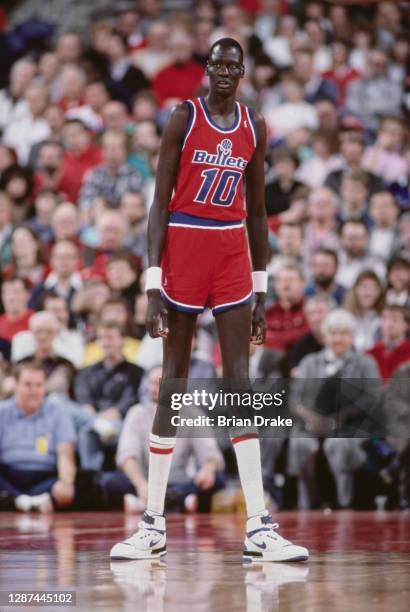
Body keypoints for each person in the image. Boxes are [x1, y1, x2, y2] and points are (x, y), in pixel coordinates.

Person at [110, 38, 308, 562]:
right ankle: (152, 523)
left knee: (239, 384)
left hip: (231, 252)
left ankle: (258, 525)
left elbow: (260, 212)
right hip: (184, 246)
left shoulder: (254, 125)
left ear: (243, 71)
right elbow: (158, 204)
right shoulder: (183, 117)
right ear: (208, 69)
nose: (223, 70)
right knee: (173, 385)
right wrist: (152, 285)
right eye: (216, 62)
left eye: (232, 64)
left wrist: (262, 294)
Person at [0, 362, 76, 513]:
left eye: (39, 385)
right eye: (28, 385)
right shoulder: (2, 412)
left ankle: (17, 501)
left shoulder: (58, 412)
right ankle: (22, 500)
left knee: (82, 485)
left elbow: (66, 454)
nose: (34, 390)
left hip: (44, 477)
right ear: (16, 386)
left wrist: (65, 481)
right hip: (8, 477)